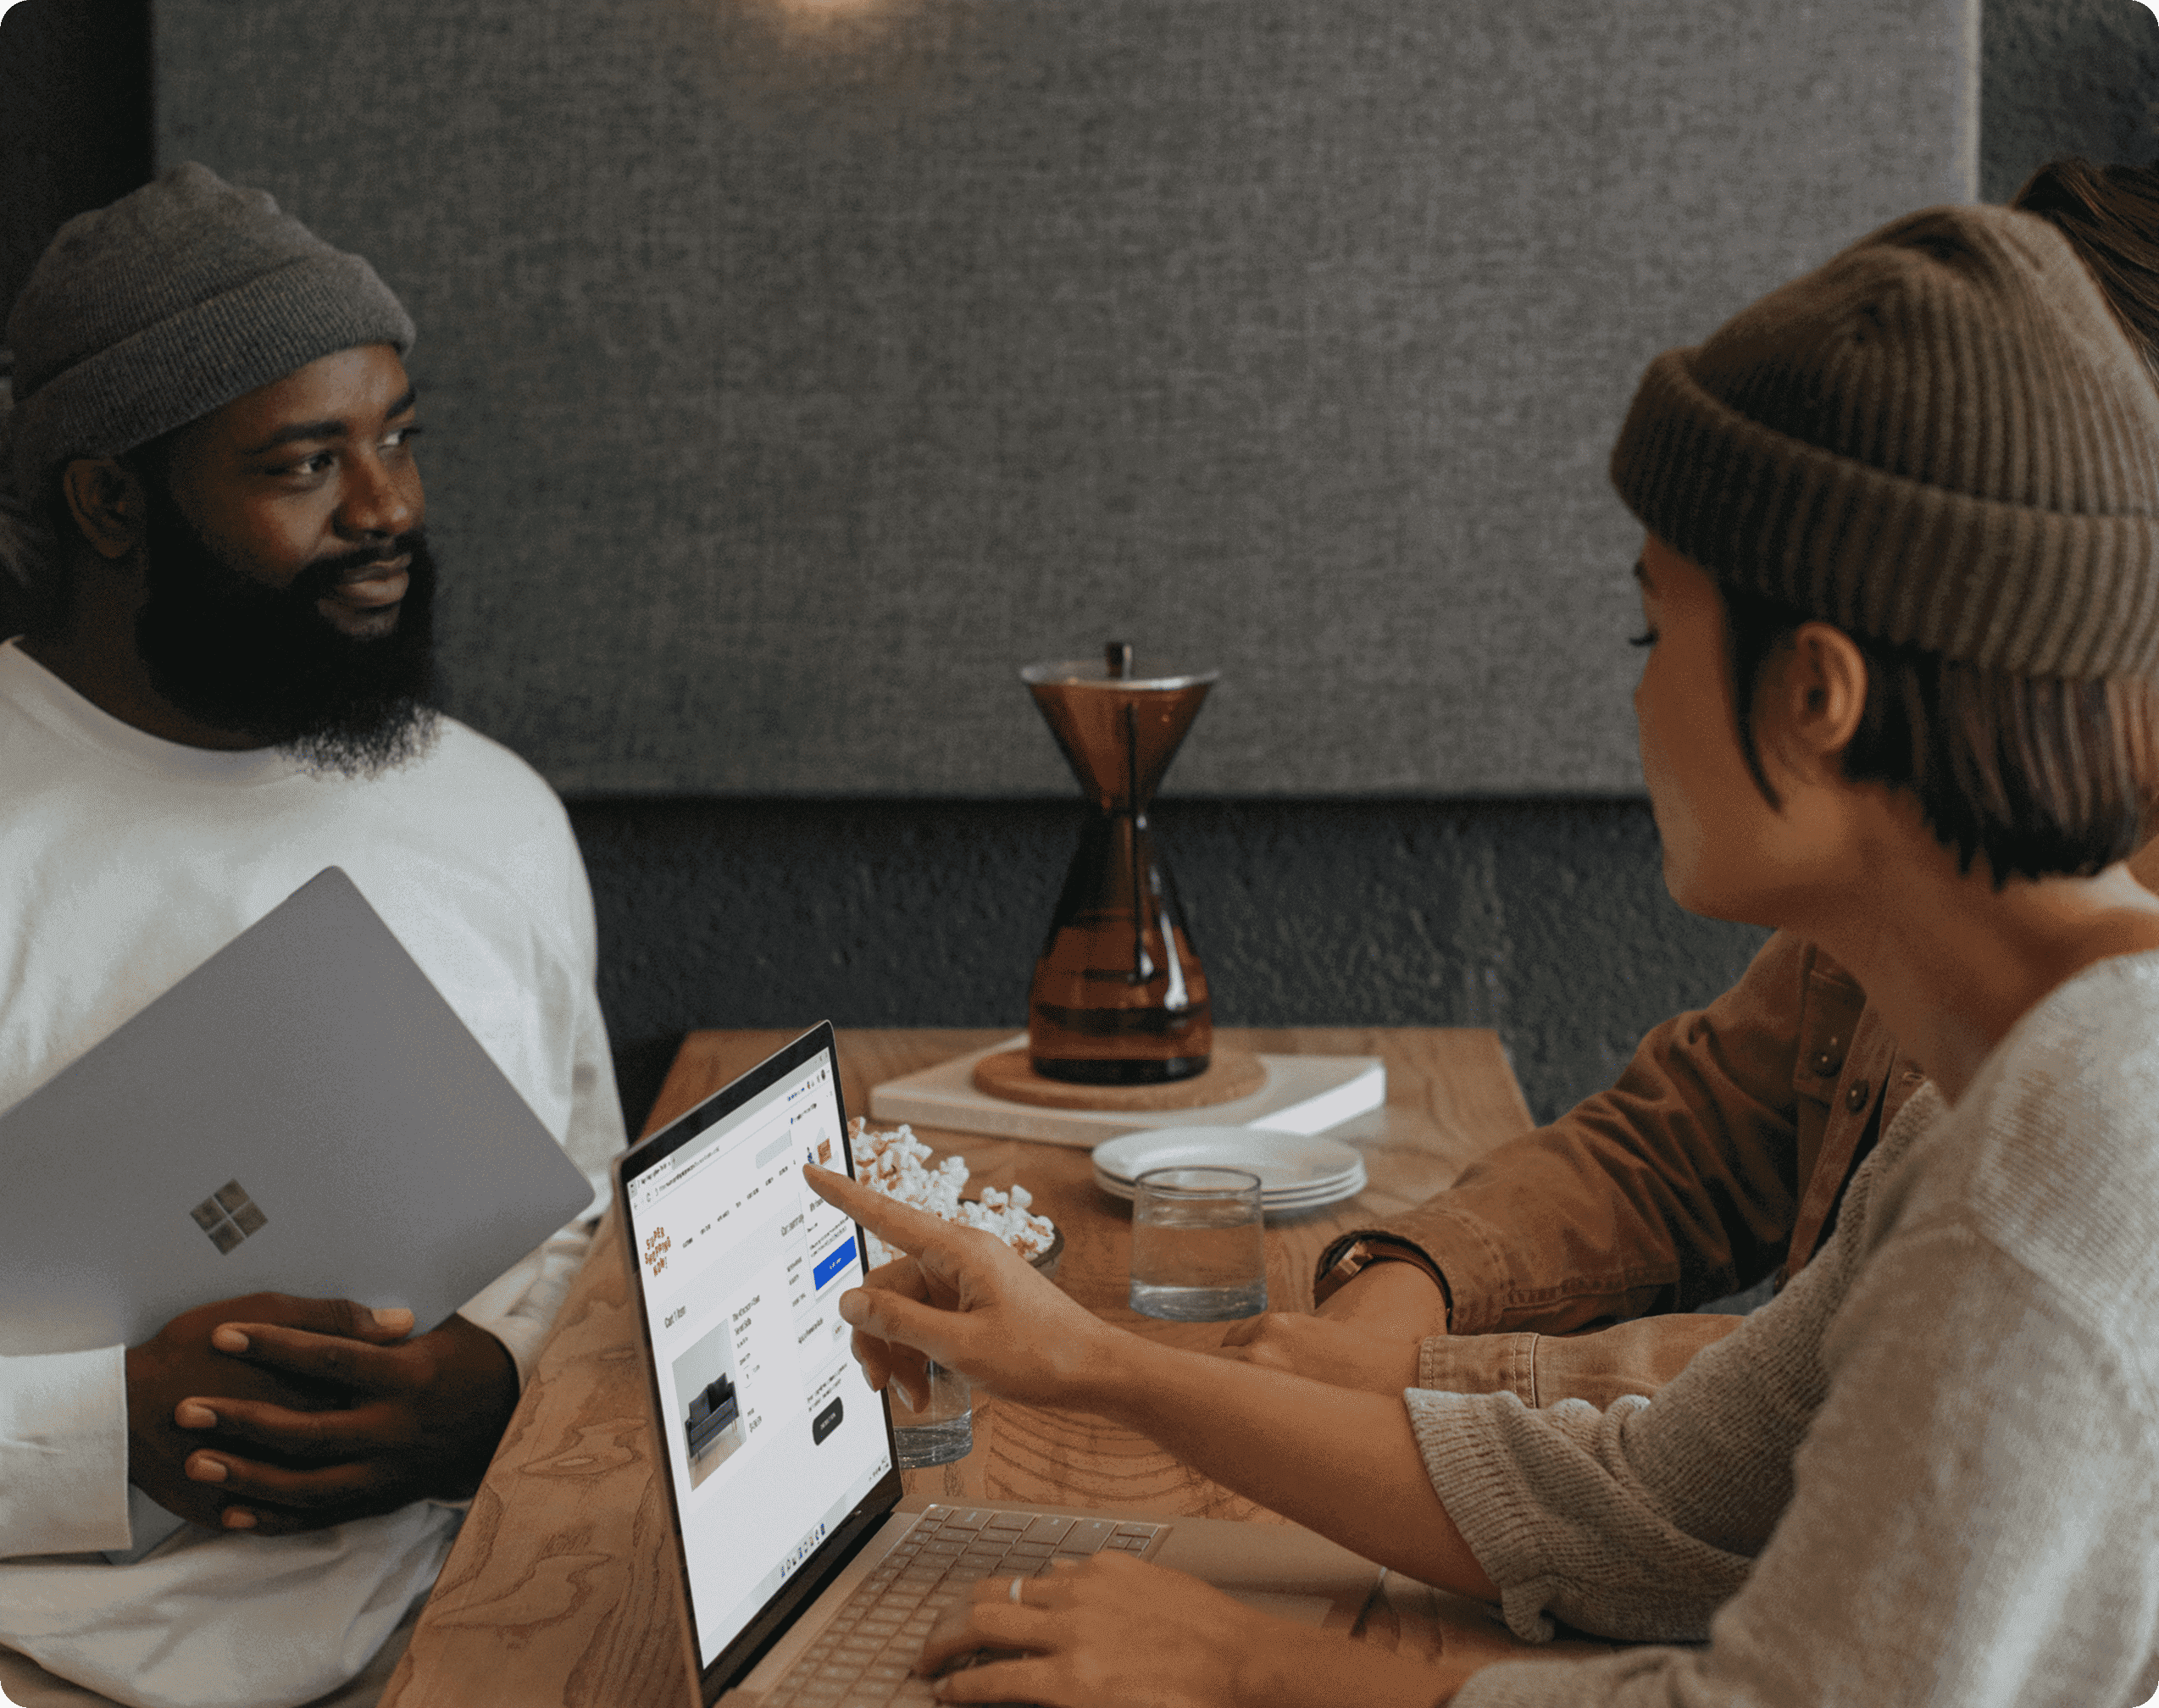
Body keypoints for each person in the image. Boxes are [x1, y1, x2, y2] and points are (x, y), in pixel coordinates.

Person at [805, 200, 2159, 1705]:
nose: (1636, 706)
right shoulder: (1989, 1113)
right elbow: (1648, 1509)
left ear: (1816, 695)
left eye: (1656, 637)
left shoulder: (2054, 1182)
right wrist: (1083, 1359)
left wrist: (1243, 1673)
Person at [1227, 156, 2159, 1413]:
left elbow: (1848, 1395)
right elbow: (1707, 1134)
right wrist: (1417, 1282)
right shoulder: (1937, 842)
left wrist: (1417, 1375)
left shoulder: (2097, 1083)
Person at [0, 164, 625, 1708]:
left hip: (467, 1634)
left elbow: (598, 1236)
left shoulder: (490, 813)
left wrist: (491, 1389)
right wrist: (105, 1434)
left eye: (399, 439)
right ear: (108, 502)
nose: (389, 509)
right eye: (305, 464)